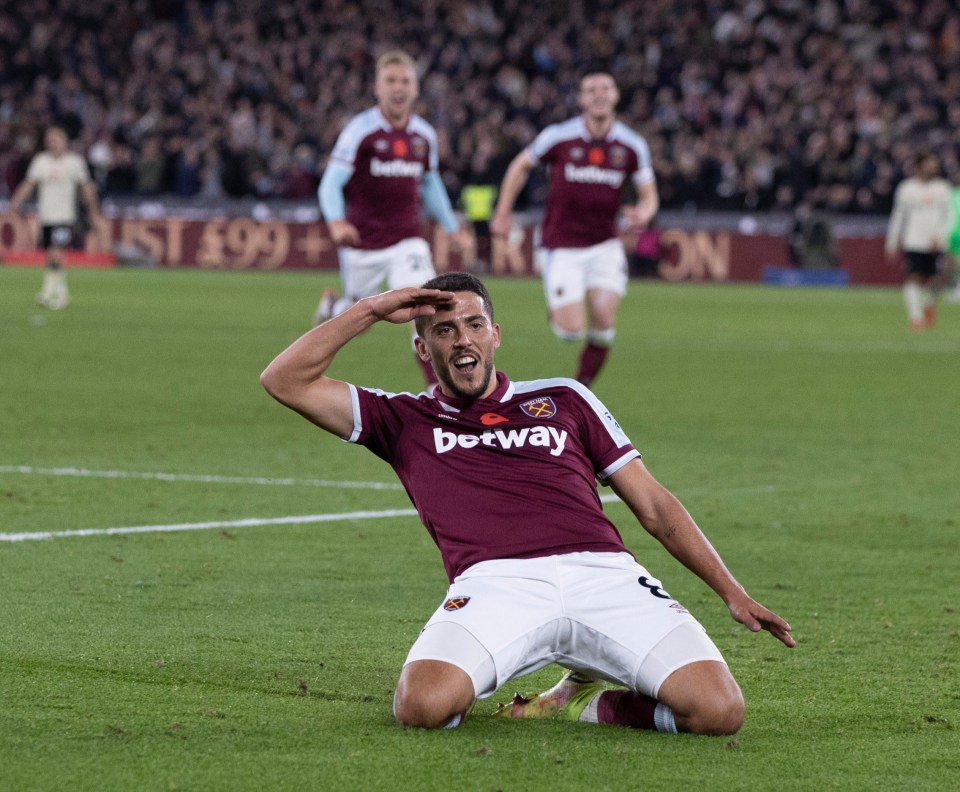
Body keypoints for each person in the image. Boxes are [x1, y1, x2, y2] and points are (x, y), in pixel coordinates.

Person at [260, 271, 795, 735]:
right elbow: (283, 380)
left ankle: (584, 702)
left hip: (604, 575)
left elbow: (652, 503)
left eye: (473, 325)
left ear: (495, 335)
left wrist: (731, 591)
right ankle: (545, 682)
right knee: (421, 706)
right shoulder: (402, 419)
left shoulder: (565, 397)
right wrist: (371, 310)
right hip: (495, 585)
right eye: (443, 330)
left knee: (719, 711)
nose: (461, 339)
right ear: (423, 350)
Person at [490, 66, 659, 387]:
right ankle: (558, 309)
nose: (599, 94)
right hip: (561, 245)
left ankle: (581, 388)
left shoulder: (632, 145)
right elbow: (520, 165)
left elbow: (650, 196)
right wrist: (503, 211)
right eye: (591, 89)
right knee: (570, 331)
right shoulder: (559, 136)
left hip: (605, 245)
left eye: (605, 88)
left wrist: (644, 212)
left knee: (604, 324)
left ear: (615, 96)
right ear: (581, 98)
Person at [315, 49, 471, 385]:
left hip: (408, 240)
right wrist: (336, 220)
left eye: (405, 81)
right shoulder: (360, 131)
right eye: (390, 81)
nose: (398, 88)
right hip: (363, 242)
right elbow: (331, 183)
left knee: (425, 302)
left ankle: (437, 388)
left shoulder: (423, 135)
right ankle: (332, 307)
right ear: (377, 87)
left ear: (416, 88)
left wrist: (450, 226)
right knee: (357, 323)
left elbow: (430, 184)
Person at [8, 125, 101, 310]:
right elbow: (29, 183)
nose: (52, 143)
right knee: (50, 255)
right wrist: (15, 202)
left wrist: (94, 211)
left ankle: (49, 293)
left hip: (65, 217)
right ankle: (60, 293)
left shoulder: (74, 162)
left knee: (56, 252)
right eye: (49, 140)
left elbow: (87, 187)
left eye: (55, 139)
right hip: (47, 217)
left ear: (64, 140)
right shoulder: (41, 161)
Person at [884, 152, 953, 330]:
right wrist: (892, 241)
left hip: (936, 242)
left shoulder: (943, 188)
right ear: (919, 166)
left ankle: (929, 304)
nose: (933, 167)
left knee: (936, 280)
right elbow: (898, 216)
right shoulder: (906, 188)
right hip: (914, 240)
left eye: (934, 163)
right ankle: (916, 318)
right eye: (929, 163)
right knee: (912, 278)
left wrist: (942, 237)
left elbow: (949, 216)